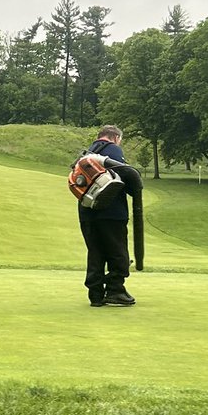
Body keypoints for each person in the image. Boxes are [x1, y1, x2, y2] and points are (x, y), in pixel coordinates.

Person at [78, 125, 135, 307]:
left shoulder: (87, 153)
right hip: (112, 212)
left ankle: (95, 294)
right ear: (116, 137)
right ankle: (115, 290)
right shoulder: (113, 150)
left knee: (95, 252)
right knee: (117, 252)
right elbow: (127, 177)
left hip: (87, 212)